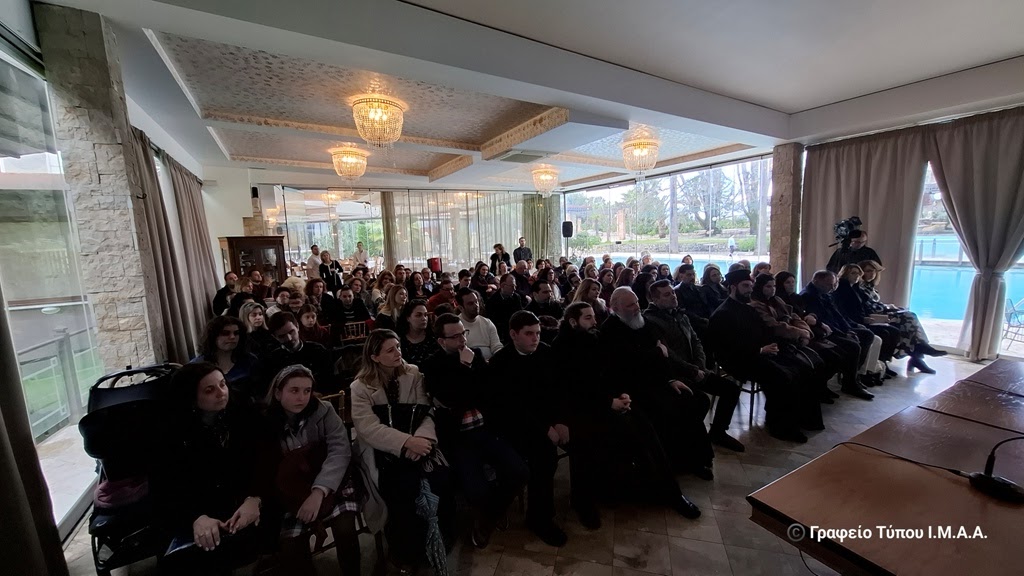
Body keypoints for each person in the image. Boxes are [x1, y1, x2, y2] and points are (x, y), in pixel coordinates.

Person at [554, 303, 701, 525]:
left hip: (608, 401)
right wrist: (609, 402)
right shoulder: (562, 347)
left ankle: (671, 493)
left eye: (594, 317)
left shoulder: (595, 339)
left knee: (647, 431)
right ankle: (582, 501)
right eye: (588, 318)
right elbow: (573, 388)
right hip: (581, 409)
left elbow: (611, 372)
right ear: (573, 322)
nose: (594, 322)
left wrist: (621, 395)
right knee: (587, 441)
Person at [154, 363, 276, 575]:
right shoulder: (171, 432)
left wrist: (255, 498)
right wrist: (196, 518)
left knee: (252, 537)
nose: (221, 393)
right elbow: (166, 487)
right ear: (191, 397)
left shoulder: (247, 415)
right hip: (198, 509)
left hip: (245, 501)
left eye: (222, 384)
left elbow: (268, 462)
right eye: (209, 390)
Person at [421, 314, 529, 548]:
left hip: (486, 428)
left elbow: (487, 392)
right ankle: (487, 517)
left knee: (519, 471)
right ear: (441, 341)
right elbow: (449, 397)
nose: (462, 339)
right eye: (455, 336)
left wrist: (464, 385)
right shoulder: (432, 364)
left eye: (464, 333)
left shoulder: (476, 354)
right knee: (476, 490)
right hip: (459, 436)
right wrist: (465, 368)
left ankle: (490, 515)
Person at [349, 330, 453, 570]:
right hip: (382, 449)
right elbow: (368, 428)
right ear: (374, 357)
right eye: (390, 350)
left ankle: (437, 539)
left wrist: (422, 439)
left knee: (441, 478)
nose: (398, 353)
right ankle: (404, 549)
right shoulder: (360, 387)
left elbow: (426, 411)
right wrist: (406, 442)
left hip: (418, 442)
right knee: (400, 488)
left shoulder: (412, 373)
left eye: (398, 347)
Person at [600, 287, 715, 477]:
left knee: (695, 399)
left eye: (637, 302)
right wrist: (656, 353)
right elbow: (629, 362)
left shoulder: (643, 323)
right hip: (631, 387)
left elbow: (663, 355)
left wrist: (671, 379)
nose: (636, 307)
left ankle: (695, 457)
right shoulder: (610, 329)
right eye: (630, 305)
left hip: (657, 380)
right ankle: (675, 461)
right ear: (616, 308)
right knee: (670, 408)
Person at [267, 365, 361, 576]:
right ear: (278, 393)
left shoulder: (323, 410)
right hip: (294, 491)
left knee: (345, 529)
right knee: (291, 544)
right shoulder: (268, 422)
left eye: (307, 390)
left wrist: (319, 491)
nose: (301, 397)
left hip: (331, 481)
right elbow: (272, 467)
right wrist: (302, 495)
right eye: (294, 390)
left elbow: (340, 449)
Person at [709, 270, 823, 442]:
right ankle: (780, 426)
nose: (749, 290)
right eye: (745, 286)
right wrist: (760, 350)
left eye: (750, 286)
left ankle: (804, 419)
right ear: (733, 287)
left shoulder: (748, 308)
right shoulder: (723, 313)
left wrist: (772, 345)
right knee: (782, 376)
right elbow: (726, 347)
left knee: (802, 368)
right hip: (739, 359)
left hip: (760, 352)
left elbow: (763, 331)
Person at [488, 312, 570, 546]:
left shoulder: (546, 352)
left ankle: (585, 501)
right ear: (513, 334)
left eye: (538, 333)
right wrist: (546, 428)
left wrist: (561, 420)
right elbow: (512, 406)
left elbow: (559, 390)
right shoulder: (501, 362)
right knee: (544, 458)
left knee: (584, 439)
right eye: (529, 334)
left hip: (547, 420)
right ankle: (539, 518)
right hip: (515, 425)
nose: (535, 338)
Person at [644, 281, 744, 452]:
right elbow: (668, 354)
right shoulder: (651, 320)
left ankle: (718, 432)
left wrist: (699, 365)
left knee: (731, 389)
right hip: (675, 374)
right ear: (655, 299)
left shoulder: (680, 315)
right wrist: (692, 370)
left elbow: (696, 342)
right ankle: (690, 441)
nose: (673, 296)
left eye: (672, 292)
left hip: (695, 369)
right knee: (698, 401)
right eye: (667, 294)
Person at [801, 271, 883, 396]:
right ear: (816, 281)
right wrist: (844, 334)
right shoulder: (809, 295)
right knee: (853, 346)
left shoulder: (825, 294)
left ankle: (855, 375)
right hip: (824, 332)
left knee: (867, 335)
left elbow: (838, 315)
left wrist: (849, 329)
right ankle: (849, 383)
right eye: (829, 284)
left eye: (833, 284)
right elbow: (823, 320)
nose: (832, 287)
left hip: (836, 328)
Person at [858, 260, 946, 370]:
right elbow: (869, 307)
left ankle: (918, 353)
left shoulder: (870, 286)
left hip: (880, 312)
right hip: (873, 316)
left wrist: (889, 307)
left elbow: (875, 304)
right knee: (908, 318)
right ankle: (919, 351)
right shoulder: (860, 288)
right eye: (868, 271)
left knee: (909, 320)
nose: (872, 274)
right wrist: (888, 308)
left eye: (874, 271)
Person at [835, 264, 900, 365]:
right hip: (855, 321)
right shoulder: (842, 290)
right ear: (845, 274)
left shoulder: (856, 289)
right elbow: (846, 312)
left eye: (858, 274)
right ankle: (875, 365)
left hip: (863, 319)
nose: (856, 276)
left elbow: (866, 307)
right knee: (885, 333)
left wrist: (874, 317)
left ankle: (883, 362)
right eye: (853, 273)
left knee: (894, 330)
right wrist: (862, 319)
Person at [192, 316, 260, 402]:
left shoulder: (251, 361)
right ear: (213, 336)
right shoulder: (197, 365)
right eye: (225, 333)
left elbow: (259, 393)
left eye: (236, 333)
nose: (232, 337)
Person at [265, 312, 331, 395]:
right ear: (274, 337)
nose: (289, 338)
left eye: (291, 332)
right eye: (282, 336)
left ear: (297, 327)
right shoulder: (272, 359)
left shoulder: (318, 350)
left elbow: (329, 380)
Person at [456, 288, 503, 360]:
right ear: (461, 308)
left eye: (476, 301)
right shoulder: (455, 325)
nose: (476, 305)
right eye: (470, 303)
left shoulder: (487, 323)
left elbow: (496, 346)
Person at [397, 300, 441, 367]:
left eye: (425, 315)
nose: (424, 318)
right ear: (408, 318)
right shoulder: (399, 340)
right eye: (418, 315)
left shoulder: (434, 338)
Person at [487, 273, 527, 344]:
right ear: (502, 285)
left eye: (515, 286)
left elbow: (520, 315)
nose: (514, 289)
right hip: (500, 333)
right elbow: (493, 322)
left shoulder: (516, 297)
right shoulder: (492, 301)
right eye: (512, 286)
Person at [673, 264, 713, 333]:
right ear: (681, 276)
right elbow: (683, 311)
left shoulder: (697, 288)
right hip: (691, 323)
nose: (692, 277)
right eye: (689, 275)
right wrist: (702, 319)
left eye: (693, 274)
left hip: (704, 319)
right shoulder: (677, 291)